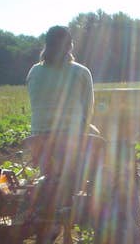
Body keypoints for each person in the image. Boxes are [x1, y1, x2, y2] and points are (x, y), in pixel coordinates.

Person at [26, 25, 95, 177]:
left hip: (38, 136)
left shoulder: (34, 71)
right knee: (96, 135)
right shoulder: (81, 72)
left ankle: (48, 177)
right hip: (69, 138)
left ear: (47, 45)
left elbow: (35, 105)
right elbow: (88, 111)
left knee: (47, 170)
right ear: (70, 46)